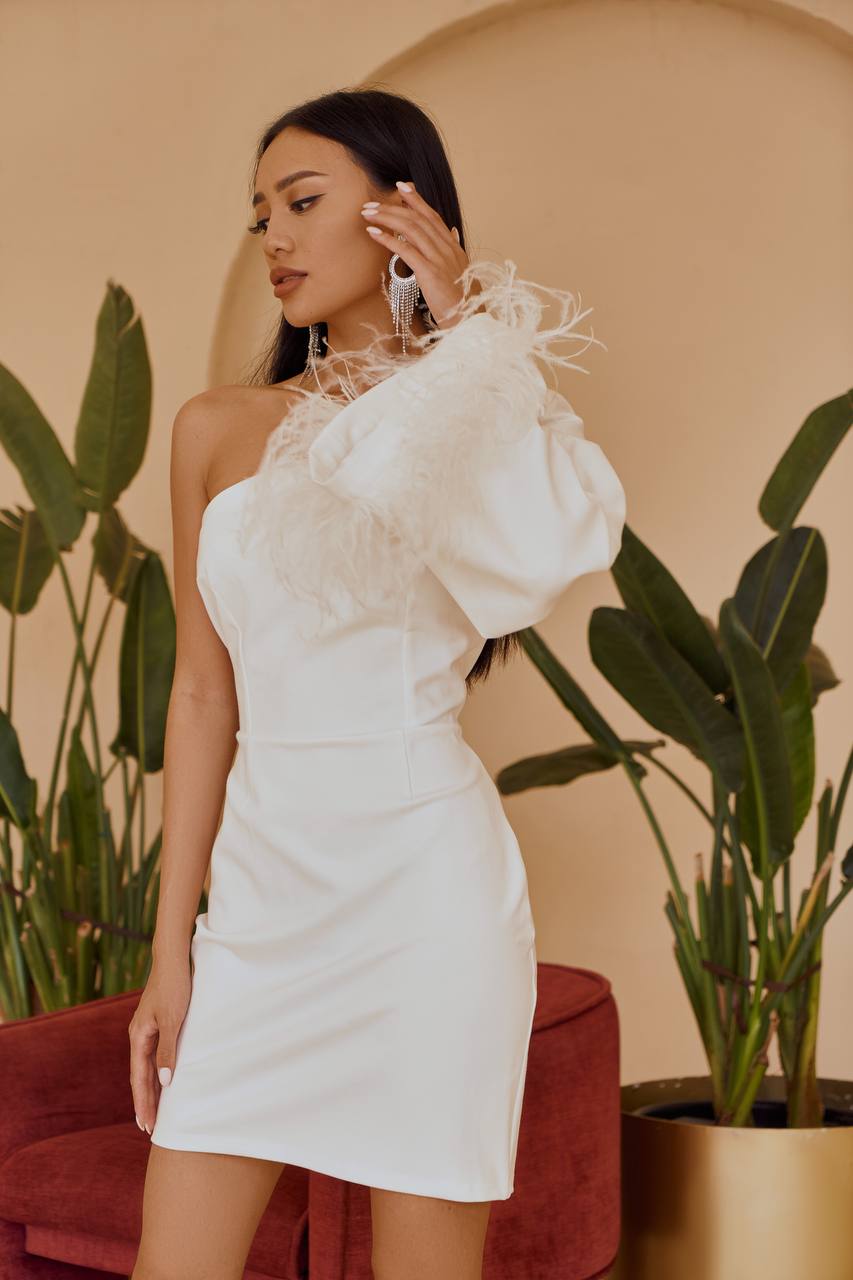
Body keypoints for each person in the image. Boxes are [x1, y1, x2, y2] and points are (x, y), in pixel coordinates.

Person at [128, 87, 627, 1280]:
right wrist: (170, 951)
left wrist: (468, 334)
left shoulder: (473, 420)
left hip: (424, 896)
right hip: (260, 899)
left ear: (403, 215)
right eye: (260, 218)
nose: (277, 242)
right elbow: (205, 697)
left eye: (303, 203)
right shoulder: (214, 428)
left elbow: (553, 549)